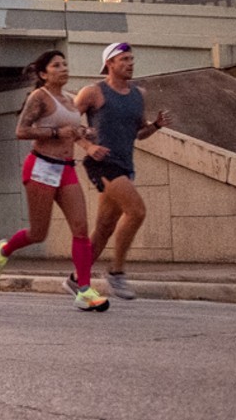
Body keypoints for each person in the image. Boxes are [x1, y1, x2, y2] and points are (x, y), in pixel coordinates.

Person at [0, 49, 108, 311]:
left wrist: (83, 135)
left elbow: (71, 131)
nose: (64, 68)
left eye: (65, 63)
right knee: (38, 233)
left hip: (66, 168)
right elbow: (21, 131)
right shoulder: (39, 97)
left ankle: (84, 289)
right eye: (56, 65)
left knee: (80, 228)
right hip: (41, 166)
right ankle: (6, 249)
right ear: (43, 74)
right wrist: (55, 131)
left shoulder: (70, 99)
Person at [75, 41, 170, 302]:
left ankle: (76, 278)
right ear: (110, 63)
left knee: (105, 226)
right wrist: (88, 145)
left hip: (125, 164)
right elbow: (68, 123)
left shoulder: (139, 94)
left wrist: (156, 126)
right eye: (124, 59)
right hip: (102, 162)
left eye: (131, 59)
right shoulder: (93, 92)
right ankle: (116, 273)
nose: (130, 64)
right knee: (137, 211)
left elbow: (139, 134)